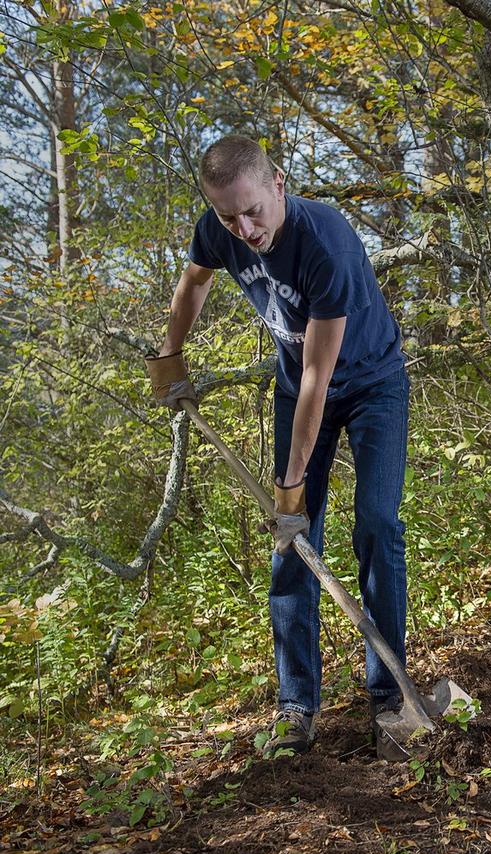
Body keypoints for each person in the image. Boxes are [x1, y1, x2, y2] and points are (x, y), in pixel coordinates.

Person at [145, 134, 410, 755]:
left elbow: (323, 377)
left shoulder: (326, 243)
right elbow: (194, 285)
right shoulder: (219, 229)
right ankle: (296, 703)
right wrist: (170, 353)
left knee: (376, 524)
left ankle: (390, 694)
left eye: (253, 210)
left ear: (279, 183)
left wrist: (290, 486)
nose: (243, 227)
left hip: (372, 384)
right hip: (296, 388)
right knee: (292, 545)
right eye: (228, 215)